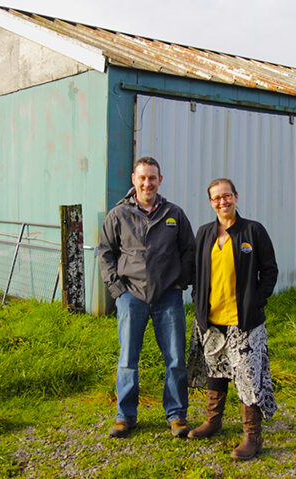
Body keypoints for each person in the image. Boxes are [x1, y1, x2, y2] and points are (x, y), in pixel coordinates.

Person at [99, 157, 195, 439]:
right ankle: (125, 416)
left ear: (160, 180)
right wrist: (117, 290)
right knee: (128, 358)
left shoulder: (173, 213)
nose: (147, 183)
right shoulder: (118, 215)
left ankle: (176, 415)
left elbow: (189, 249)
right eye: (142, 178)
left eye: (152, 178)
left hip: (168, 296)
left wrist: (182, 282)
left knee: (175, 358)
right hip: (132, 296)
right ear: (133, 179)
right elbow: (105, 253)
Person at [187, 178, 278, 460]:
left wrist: (256, 301)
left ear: (236, 197)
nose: (222, 202)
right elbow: (194, 271)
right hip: (212, 320)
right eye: (216, 198)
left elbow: (270, 270)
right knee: (215, 371)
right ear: (210, 202)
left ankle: (252, 436)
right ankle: (213, 422)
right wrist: (198, 301)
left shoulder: (253, 230)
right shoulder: (203, 233)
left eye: (227, 196)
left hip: (244, 322)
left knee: (248, 377)